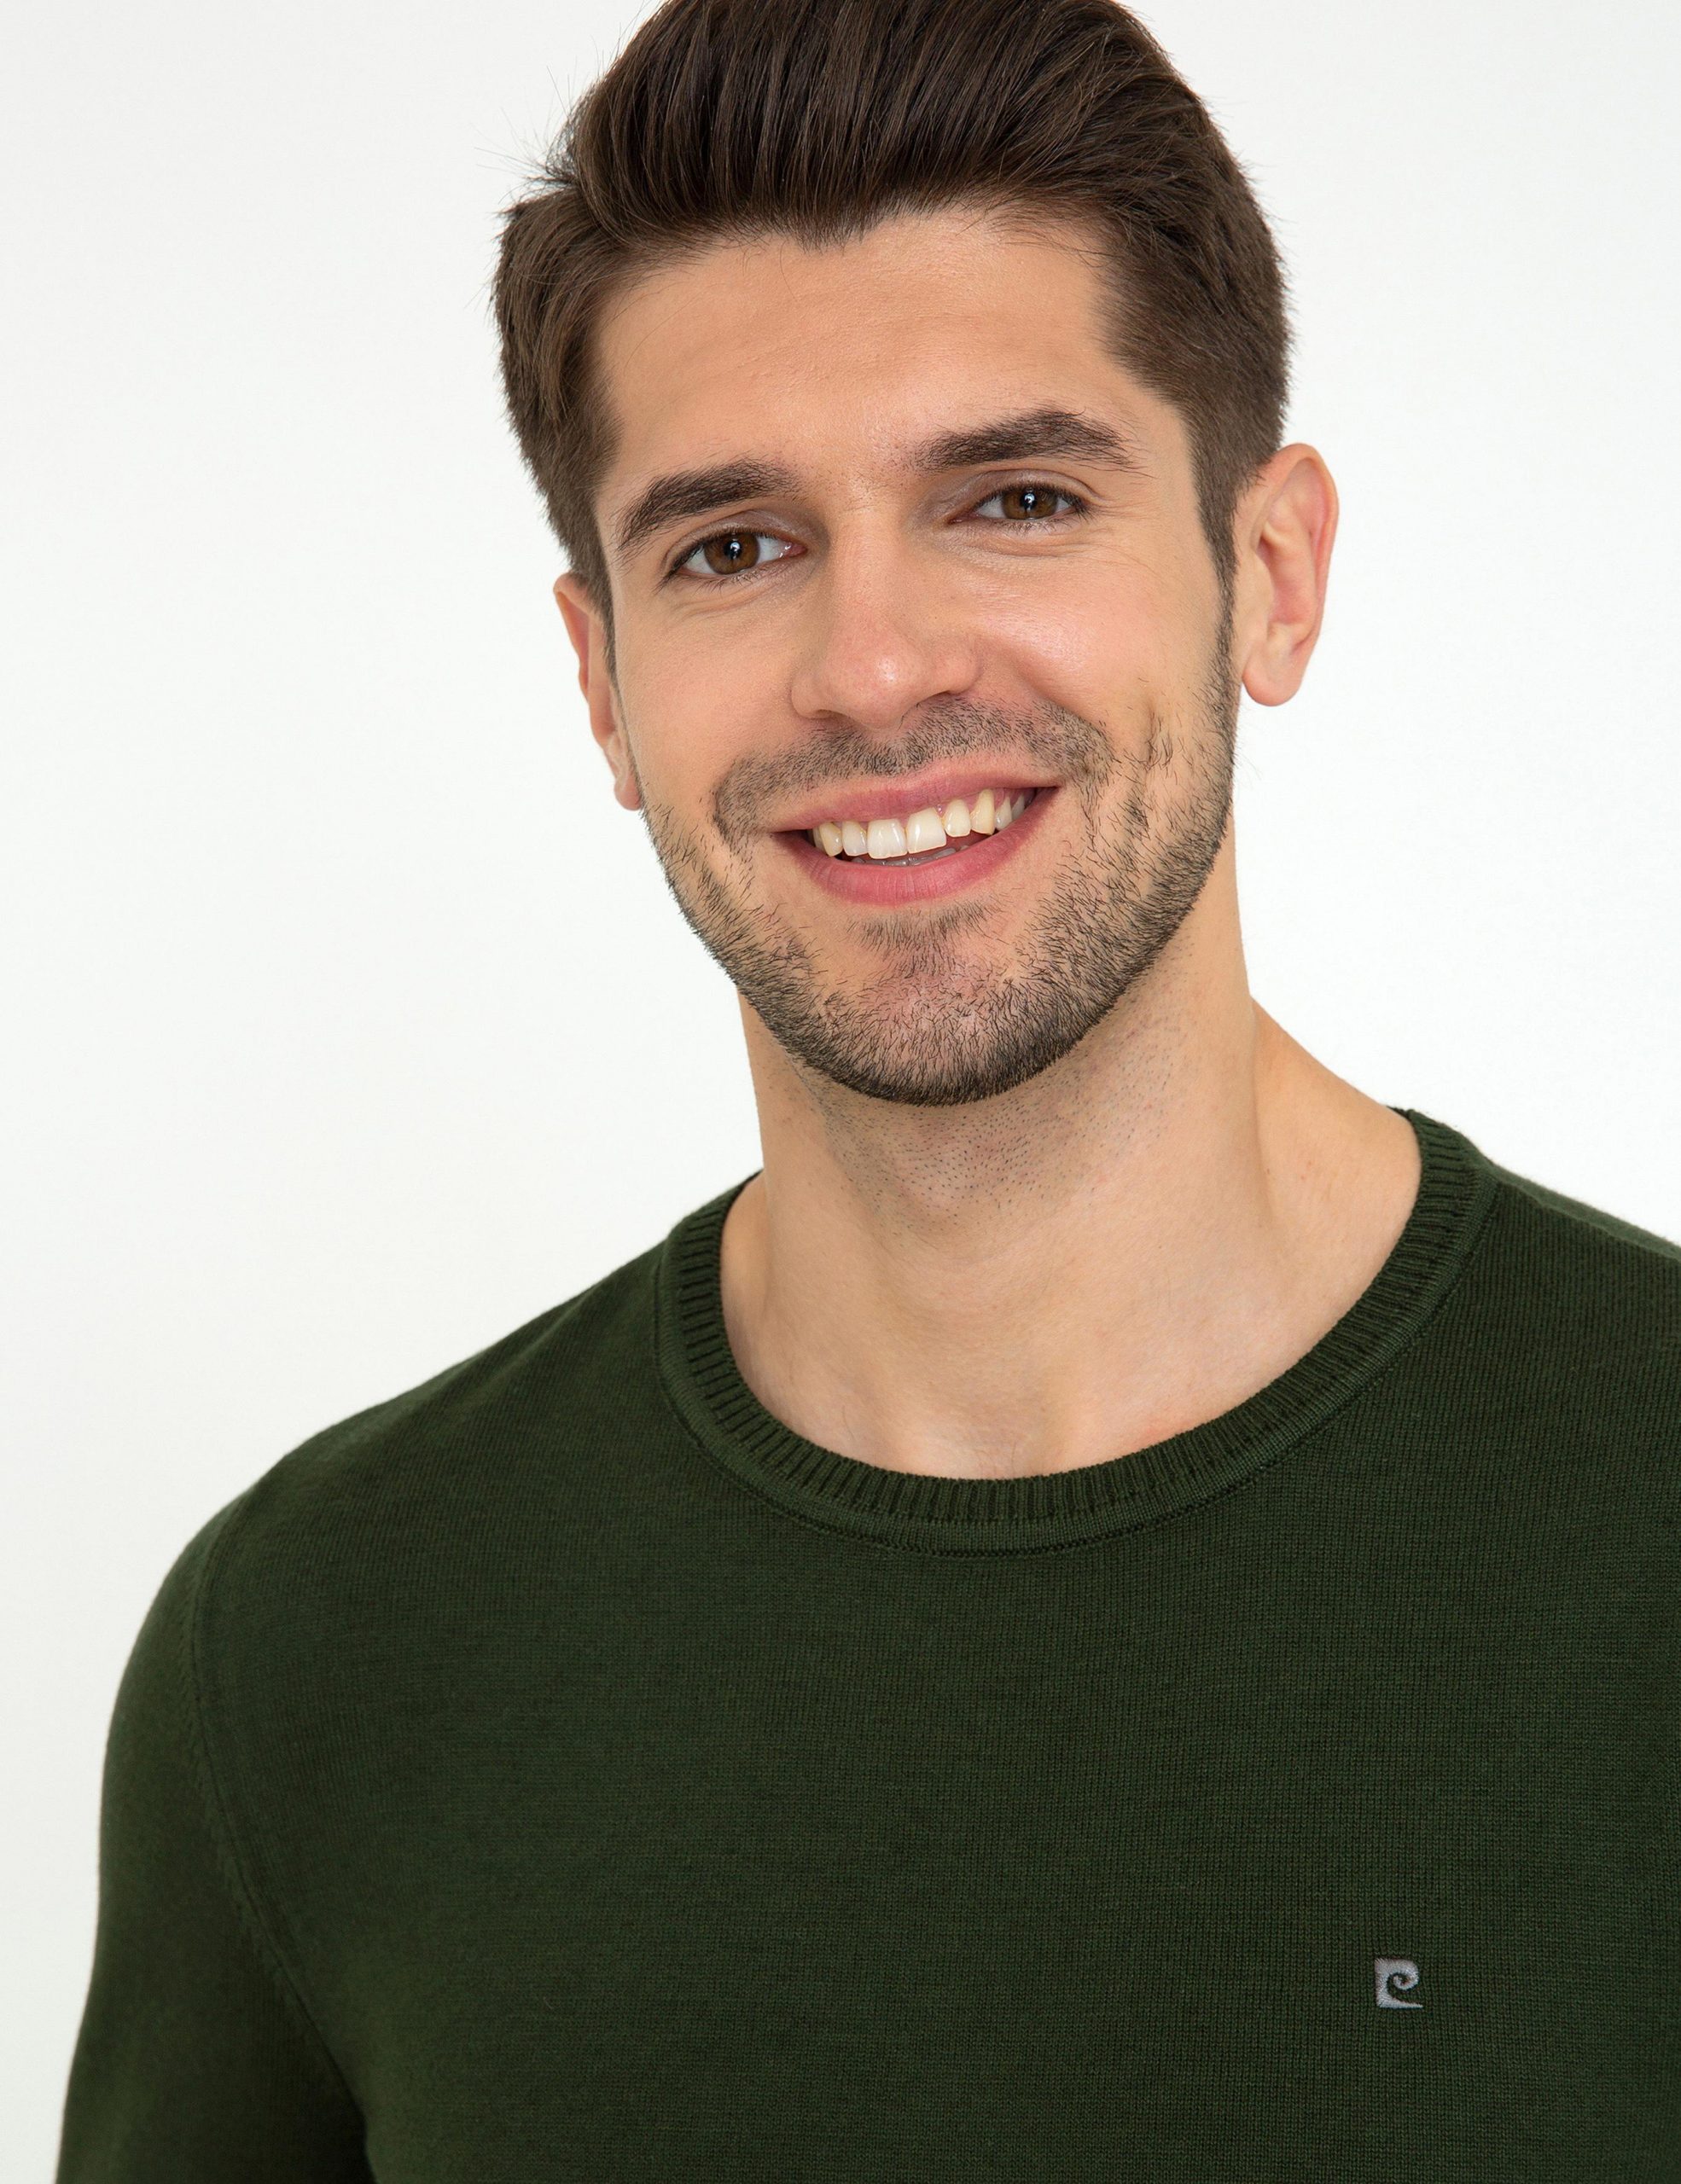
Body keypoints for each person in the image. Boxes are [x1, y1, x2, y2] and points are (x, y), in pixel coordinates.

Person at [55, 0, 1681, 2175]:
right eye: (731, 546)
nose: (876, 665)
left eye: (1014, 498)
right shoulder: (312, 1649)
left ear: (1269, 575)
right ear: (601, 682)